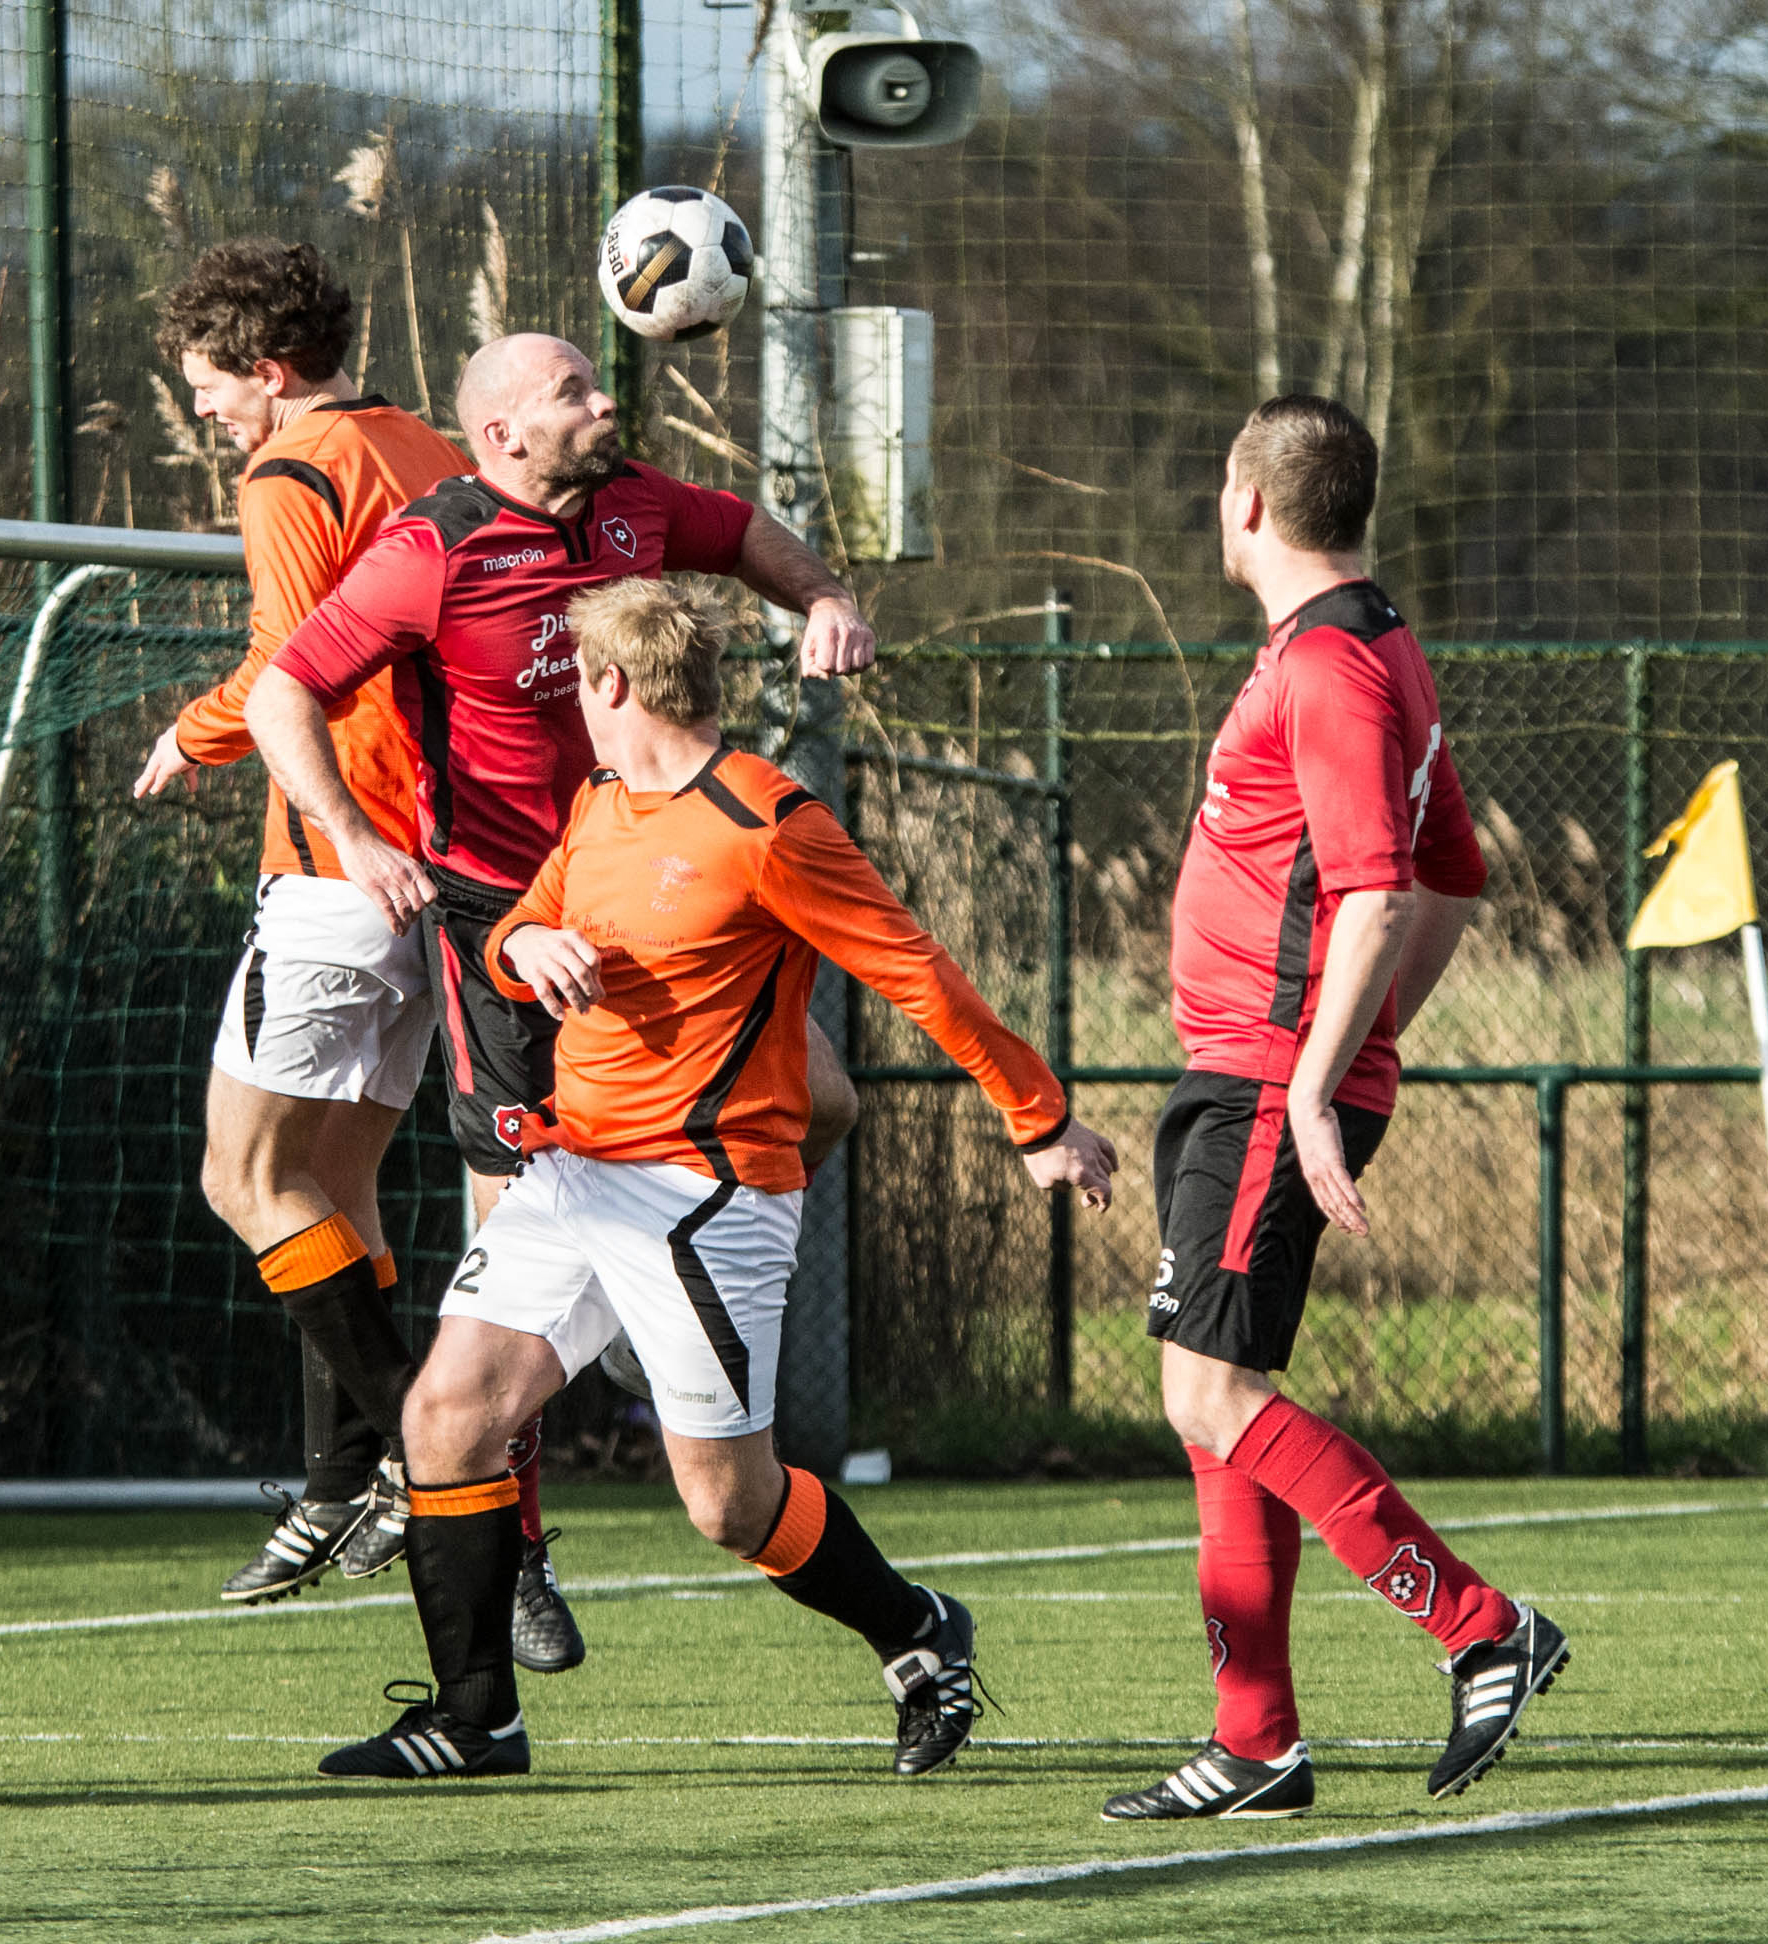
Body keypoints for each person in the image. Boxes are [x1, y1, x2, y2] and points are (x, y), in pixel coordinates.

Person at [307, 575, 1119, 1779]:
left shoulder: (766, 821)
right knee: (445, 1416)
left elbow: (917, 970)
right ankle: (473, 1718)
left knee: (728, 1507)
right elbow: (510, 935)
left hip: (703, 1196)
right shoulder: (596, 804)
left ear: (612, 684)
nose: (567, 704)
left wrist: (1038, 1117)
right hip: (570, 1173)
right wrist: (529, 944)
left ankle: (917, 1631)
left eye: (573, 682)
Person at [1101, 396, 1568, 1824]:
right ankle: (1257, 1744)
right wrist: (1361, 1051)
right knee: (1211, 1407)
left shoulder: (1331, 669)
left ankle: (1483, 1628)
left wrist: (1316, 1079)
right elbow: (1455, 877)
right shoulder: (1376, 645)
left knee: (1213, 1391)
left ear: (1246, 508)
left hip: (1259, 1079)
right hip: (1252, 1071)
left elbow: (1381, 891)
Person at [136, 243, 585, 1671]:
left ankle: (415, 1452)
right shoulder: (426, 442)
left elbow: (287, 673)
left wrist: (190, 730)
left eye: (209, 389)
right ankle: (346, 1482)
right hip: (446, 871)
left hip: (339, 867)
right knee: (337, 1190)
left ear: (265, 371)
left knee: (242, 1175)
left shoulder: (292, 471)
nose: (208, 415)